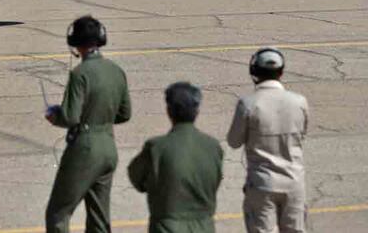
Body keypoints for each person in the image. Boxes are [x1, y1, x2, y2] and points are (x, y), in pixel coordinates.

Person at [44, 15, 131, 233]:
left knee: (58, 213)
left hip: (84, 148)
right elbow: (125, 114)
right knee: (99, 219)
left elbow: (70, 117)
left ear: (75, 43)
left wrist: (56, 116)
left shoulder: (80, 74)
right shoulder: (116, 71)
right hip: (108, 147)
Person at [227, 48, 309, 233]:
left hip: (263, 183)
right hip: (294, 181)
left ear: (254, 72)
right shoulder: (299, 102)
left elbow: (233, 141)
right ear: (281, 72)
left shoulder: (249, 104)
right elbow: (302, 134)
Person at [128, 82, 223, 233]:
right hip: (203, 227)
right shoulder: (212, 147)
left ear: (169, 111)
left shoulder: (156, 148)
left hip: (167, 227)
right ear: (196, 111)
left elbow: (136, 178)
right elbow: (215, 181)